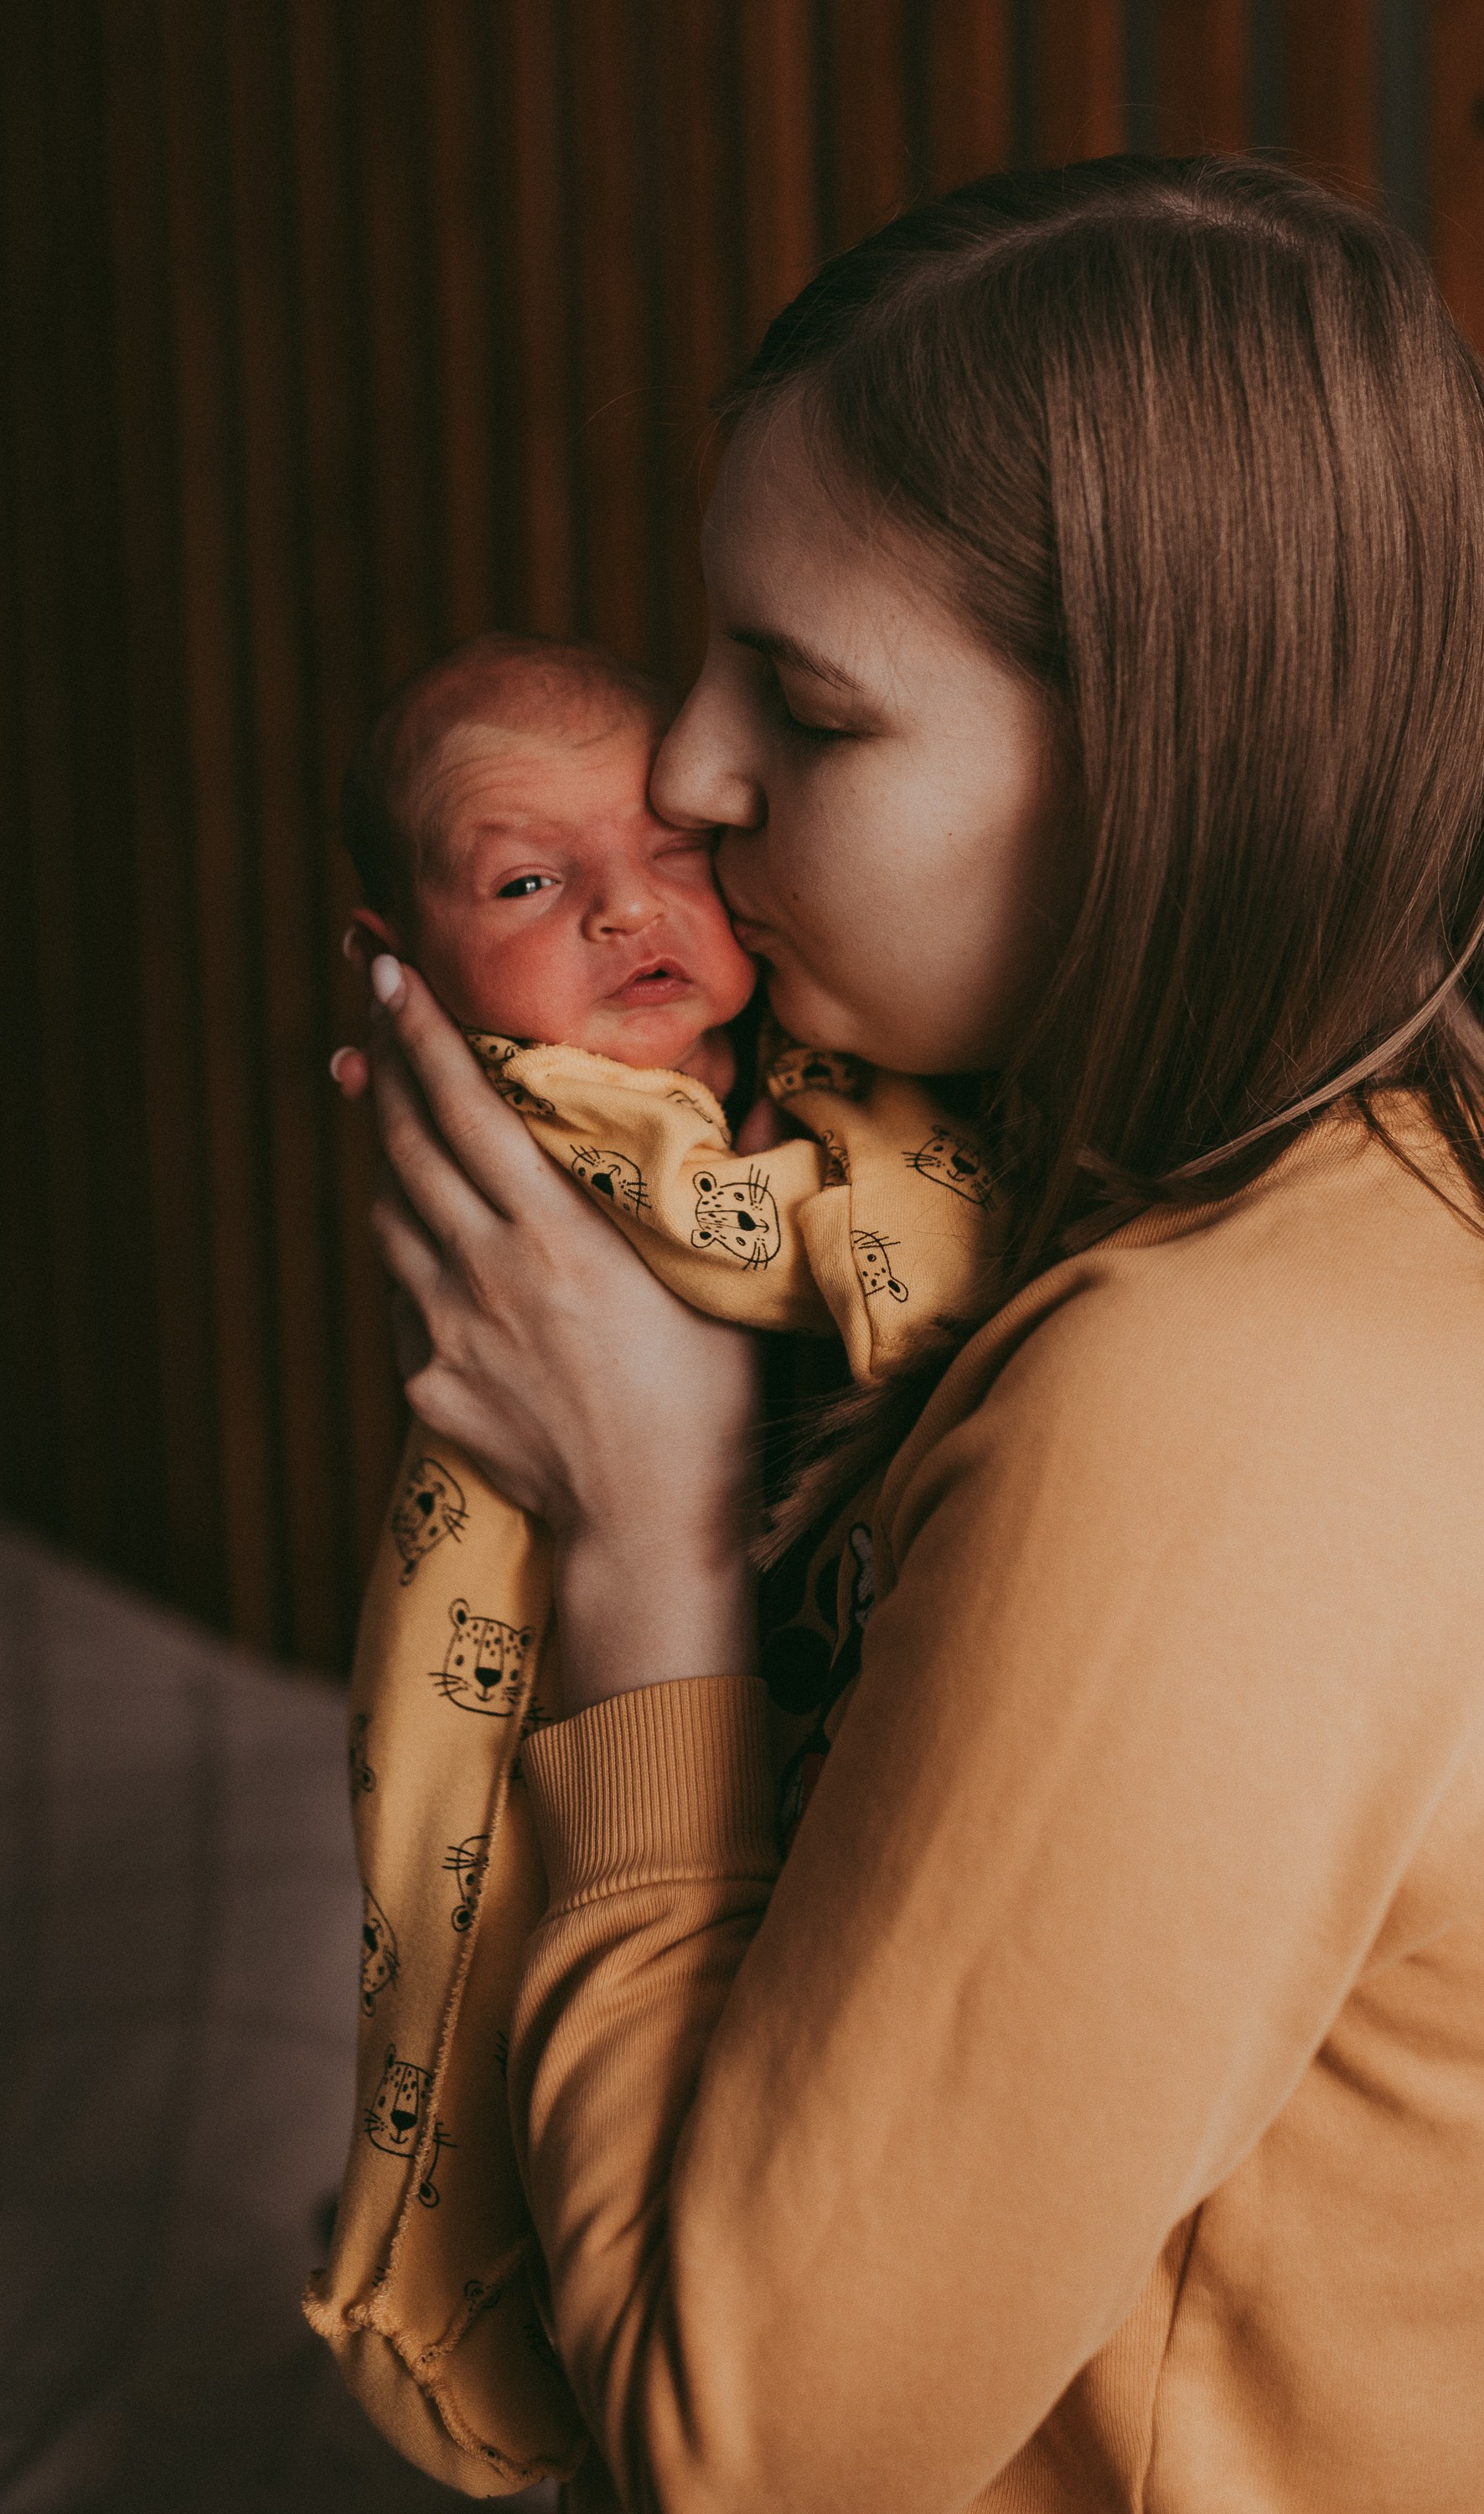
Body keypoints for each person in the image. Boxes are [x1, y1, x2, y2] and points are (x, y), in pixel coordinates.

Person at [333, 158, 1484, 2513]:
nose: (690, 776)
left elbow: (749, 2465)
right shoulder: (1338, 1208)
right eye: (710, 656)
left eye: (816, 717)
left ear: (1164, 769)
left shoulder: (1233, 1413)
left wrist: (638, 1528)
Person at [308, 632, 1006, 2487]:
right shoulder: (530, 1108)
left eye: (673, 850)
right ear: (402, 969)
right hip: (524, 1656)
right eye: (530, 882)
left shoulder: (793, 1059)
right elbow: (739, 1240)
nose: (629, 913)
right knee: (482, 1976)